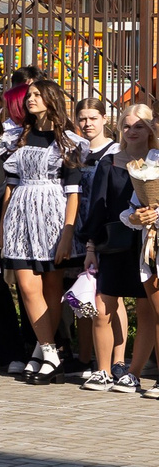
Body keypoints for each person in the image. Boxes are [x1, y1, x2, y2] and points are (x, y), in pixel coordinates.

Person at [1, 79, 80, 381]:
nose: (30, 99)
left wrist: (68, 234)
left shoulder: (68, 141)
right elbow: (10, 185)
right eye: (29, 95)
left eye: (36, 95)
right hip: (20, 214)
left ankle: (41, 352)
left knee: (51, 289)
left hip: (52, 216)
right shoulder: (18, 136)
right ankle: (49, 351)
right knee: (26, 286)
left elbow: (74, 193)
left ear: (50, 99)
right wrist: (2, 224)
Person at [76, 107, 156, 393]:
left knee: (147, 311)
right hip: (116, 240)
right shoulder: (110, 162)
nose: (132, 131)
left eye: (139, 126)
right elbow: (97, 207)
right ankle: (103, 370)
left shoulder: (155, 161)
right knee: (103, 307)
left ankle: (133, 372)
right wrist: (90, 247)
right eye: (126, 126)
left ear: (151, 129)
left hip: (148, 243)